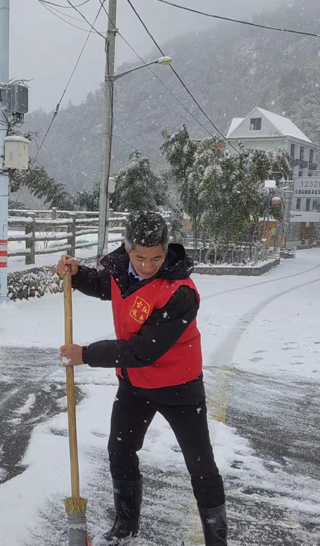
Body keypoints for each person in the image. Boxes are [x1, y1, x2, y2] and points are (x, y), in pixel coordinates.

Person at [57, 212, 227, 546]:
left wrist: (87, 354)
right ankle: (125, 527)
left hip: (180, 389)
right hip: (135, 386)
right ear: (128, 249)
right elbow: (105, 285)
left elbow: (143, 350)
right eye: (140, 257)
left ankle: (216, 539)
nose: (148, 265)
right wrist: (77, 275)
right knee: (120, 452)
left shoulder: (180, 292)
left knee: (201, 465)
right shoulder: (123, 272)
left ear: (167, 250)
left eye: (157, 257)